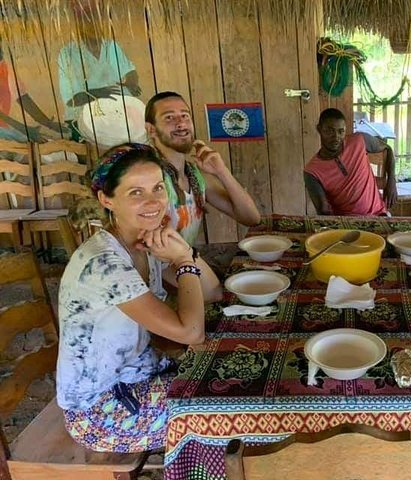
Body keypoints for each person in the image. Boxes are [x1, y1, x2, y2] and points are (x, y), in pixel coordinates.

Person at [56, 143, 222, 452]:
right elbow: (191, 332)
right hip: (100, 410)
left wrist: (183, 252)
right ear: (106, 199)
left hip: (139, 377)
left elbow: (212, 292)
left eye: (158, 188)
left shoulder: (144, 241)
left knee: (233, 376)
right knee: (221, 410)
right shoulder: (104, 263)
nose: (153, 201)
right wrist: (184, 262)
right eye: (135, 193)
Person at [144, 91, 261, 245]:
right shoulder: (147, 178)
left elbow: (251, 218)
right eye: (169, 117)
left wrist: (221, 171)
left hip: (187, 264)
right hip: (162, 268)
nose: (181, 123)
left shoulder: (194, 175)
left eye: (185, 115)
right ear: (151, 129)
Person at [58, 1, 141, 142]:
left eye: (98, 22)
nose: (95, 27)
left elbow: (130, 71)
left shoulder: (110, 47)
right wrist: (100, 93)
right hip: (80, 120)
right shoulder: (68, 54)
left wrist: (131, 83)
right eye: (90, 23)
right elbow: (71, 100)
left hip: (114, 116)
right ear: (81, 26)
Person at [304, 108, 397, 216]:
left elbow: (388, 149)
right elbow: (323, 211)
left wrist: (391, 181)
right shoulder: (312, 171)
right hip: (348, 224)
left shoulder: (359, 141)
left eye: (341, 131)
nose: (336, 137)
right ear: (319, 129)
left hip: (380, 215)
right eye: (329, 131)